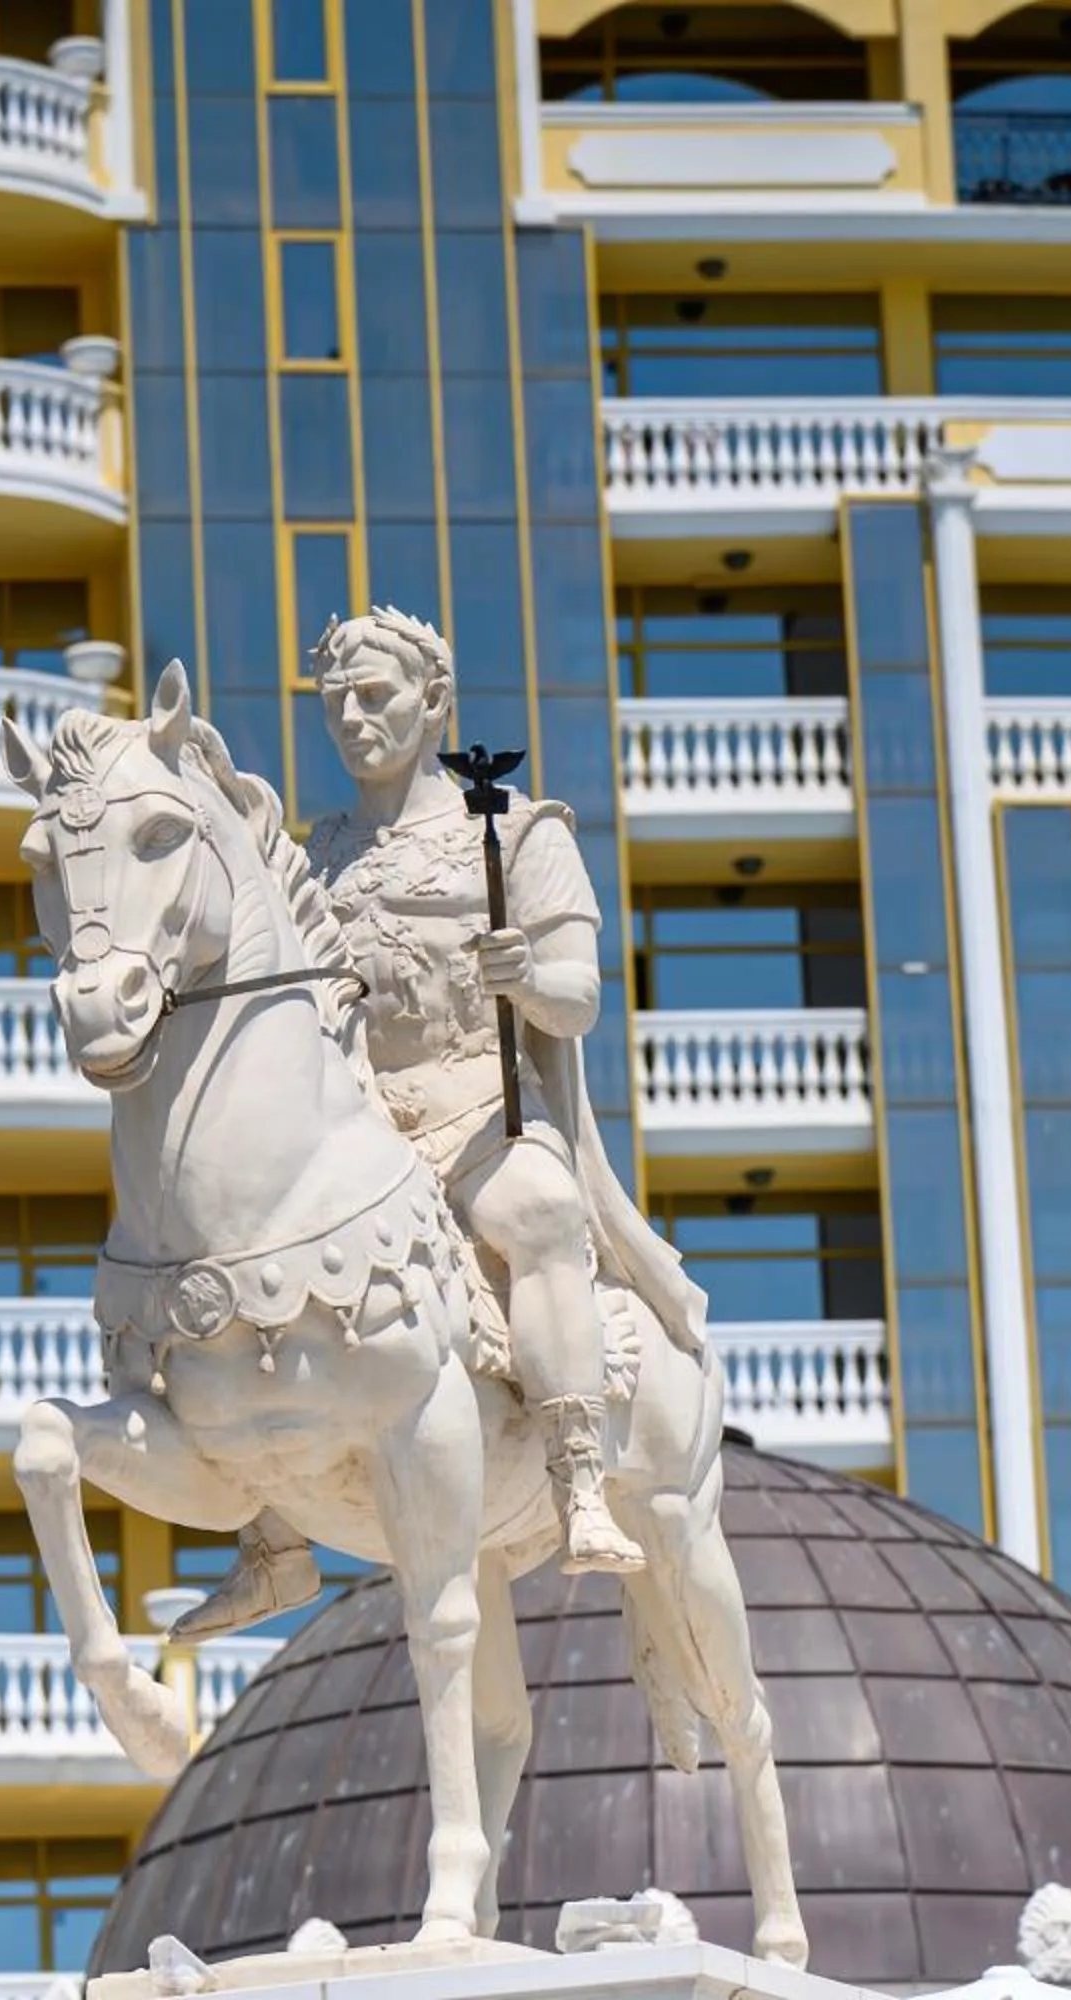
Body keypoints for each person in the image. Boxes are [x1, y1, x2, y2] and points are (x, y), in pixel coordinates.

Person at [167, 608, 709, 1638]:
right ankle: (272, 1542)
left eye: (376, 696)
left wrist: (528, 973)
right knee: (243, 1260)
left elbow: (579, 996)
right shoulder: (315, 855)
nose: (355, 717)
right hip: (357, 1129)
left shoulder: (512, 831)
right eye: (336, 702)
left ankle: (580, 1470)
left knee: (543, 1209)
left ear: (434, 702)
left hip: (477, 1110)